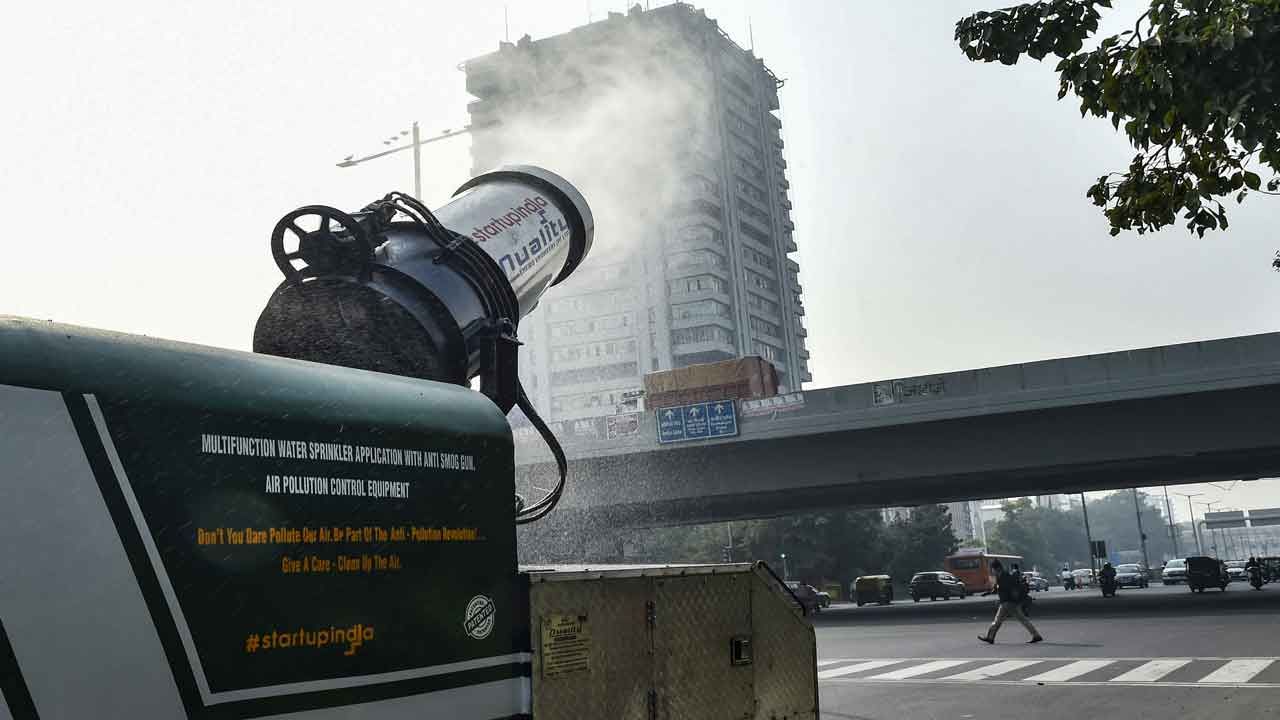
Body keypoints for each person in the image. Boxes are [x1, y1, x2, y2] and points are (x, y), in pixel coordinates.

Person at [978, 559, 1043, 644]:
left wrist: (1007, 596)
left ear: (996, 568)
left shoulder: (1005, 576)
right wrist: (987, 593)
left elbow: (1007, 588)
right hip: (1007, 602)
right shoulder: (1000, 576)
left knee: (1000, 620)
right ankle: (1036, 635)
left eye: (992, 569)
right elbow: (997, 589)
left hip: (1008, 602)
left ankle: (990, 637)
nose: (991, 571)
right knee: (1017, 619)